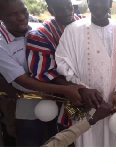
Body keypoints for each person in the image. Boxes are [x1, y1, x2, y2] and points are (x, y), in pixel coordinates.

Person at [0, 0, 84, 146]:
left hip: (58, 99)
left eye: (23, 11)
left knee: (57, 141)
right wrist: (66, 89)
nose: (21, 17)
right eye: (13, 14)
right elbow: (23, 80)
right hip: (26, 99)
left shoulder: (40, 28)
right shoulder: (2, 44)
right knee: (30, 142)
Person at [55, 0, 116, 147]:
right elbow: (62, 62)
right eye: (93, 1)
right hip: (86, 106)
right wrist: (82, 90)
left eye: (102, 2)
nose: (98, 5)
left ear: (110, 3)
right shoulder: (73, 30)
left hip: (114, 105)